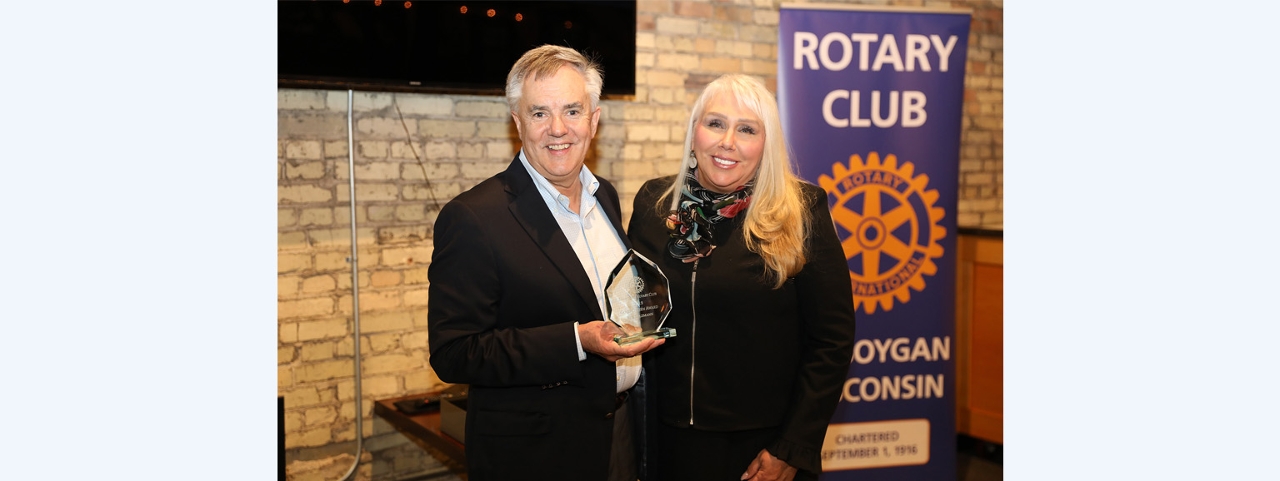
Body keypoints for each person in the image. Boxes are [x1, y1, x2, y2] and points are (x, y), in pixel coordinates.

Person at [428, 45, 665, 481]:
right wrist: (578, 340)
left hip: (621, 434)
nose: (558, 129)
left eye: (572, 110)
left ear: (594, 119)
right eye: (539, 113)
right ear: (517, 122)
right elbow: (453, 352)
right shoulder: (474, 217)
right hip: (537, 457)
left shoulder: (605, 197)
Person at [627, 74, 856, 481]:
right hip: (664, 438)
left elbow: (831, 342)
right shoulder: (654, 203)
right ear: (695, 132)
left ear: (766, 144)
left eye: (747, 129)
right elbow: (636, 312)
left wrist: (791, 448)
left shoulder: (801, 211)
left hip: (760, 449)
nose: (727, 141)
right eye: (715, 123)